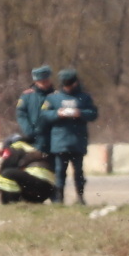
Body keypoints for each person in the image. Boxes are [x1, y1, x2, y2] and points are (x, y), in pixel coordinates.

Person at [42, 68, 99, 204]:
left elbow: (93, 113)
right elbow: (44, 114)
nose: (68, 87)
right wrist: (58, 114)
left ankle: (80, 197)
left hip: (78, 140)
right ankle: (59, 198)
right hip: (60, 141)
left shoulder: (84, 97)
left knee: (78, 172)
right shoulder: (53, 98)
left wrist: (80, 113)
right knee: (60, 171)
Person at [0, 136, 58, 204]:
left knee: (6, 174)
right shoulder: (32, 148)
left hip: (35, 183)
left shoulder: (16, 148)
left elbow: (6, 166)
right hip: (47, 189)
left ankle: (10, 203)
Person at [16, 65, 55, 152]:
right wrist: (28, 131)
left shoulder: (56, 95)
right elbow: (21, 115)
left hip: (52, 138)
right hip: (33, 137)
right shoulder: (27, 96)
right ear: (36, 81)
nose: (45, 84)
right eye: (42, 82)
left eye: (46, 81)